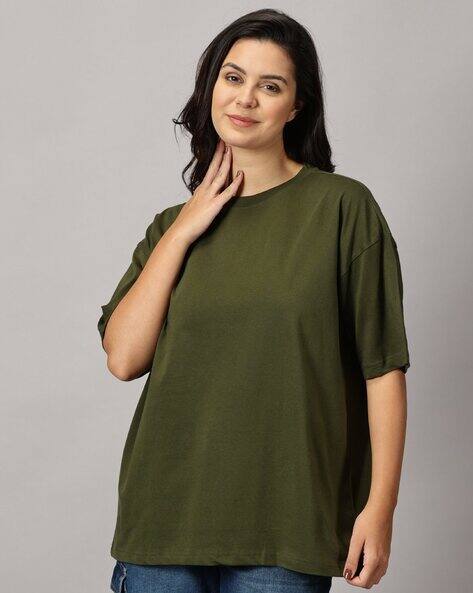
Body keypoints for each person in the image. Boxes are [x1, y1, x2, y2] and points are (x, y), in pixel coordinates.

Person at [98, 8, 411, 593]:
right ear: (211, 86)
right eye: (233, 77)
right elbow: (123, 358)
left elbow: (383, 369)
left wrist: (379, 509)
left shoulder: (341, 209)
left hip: (286, 529)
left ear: (296, 106)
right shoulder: (169, 226)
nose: (245, 98)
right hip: (162, 524)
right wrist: (184, 230)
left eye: (270, 86)